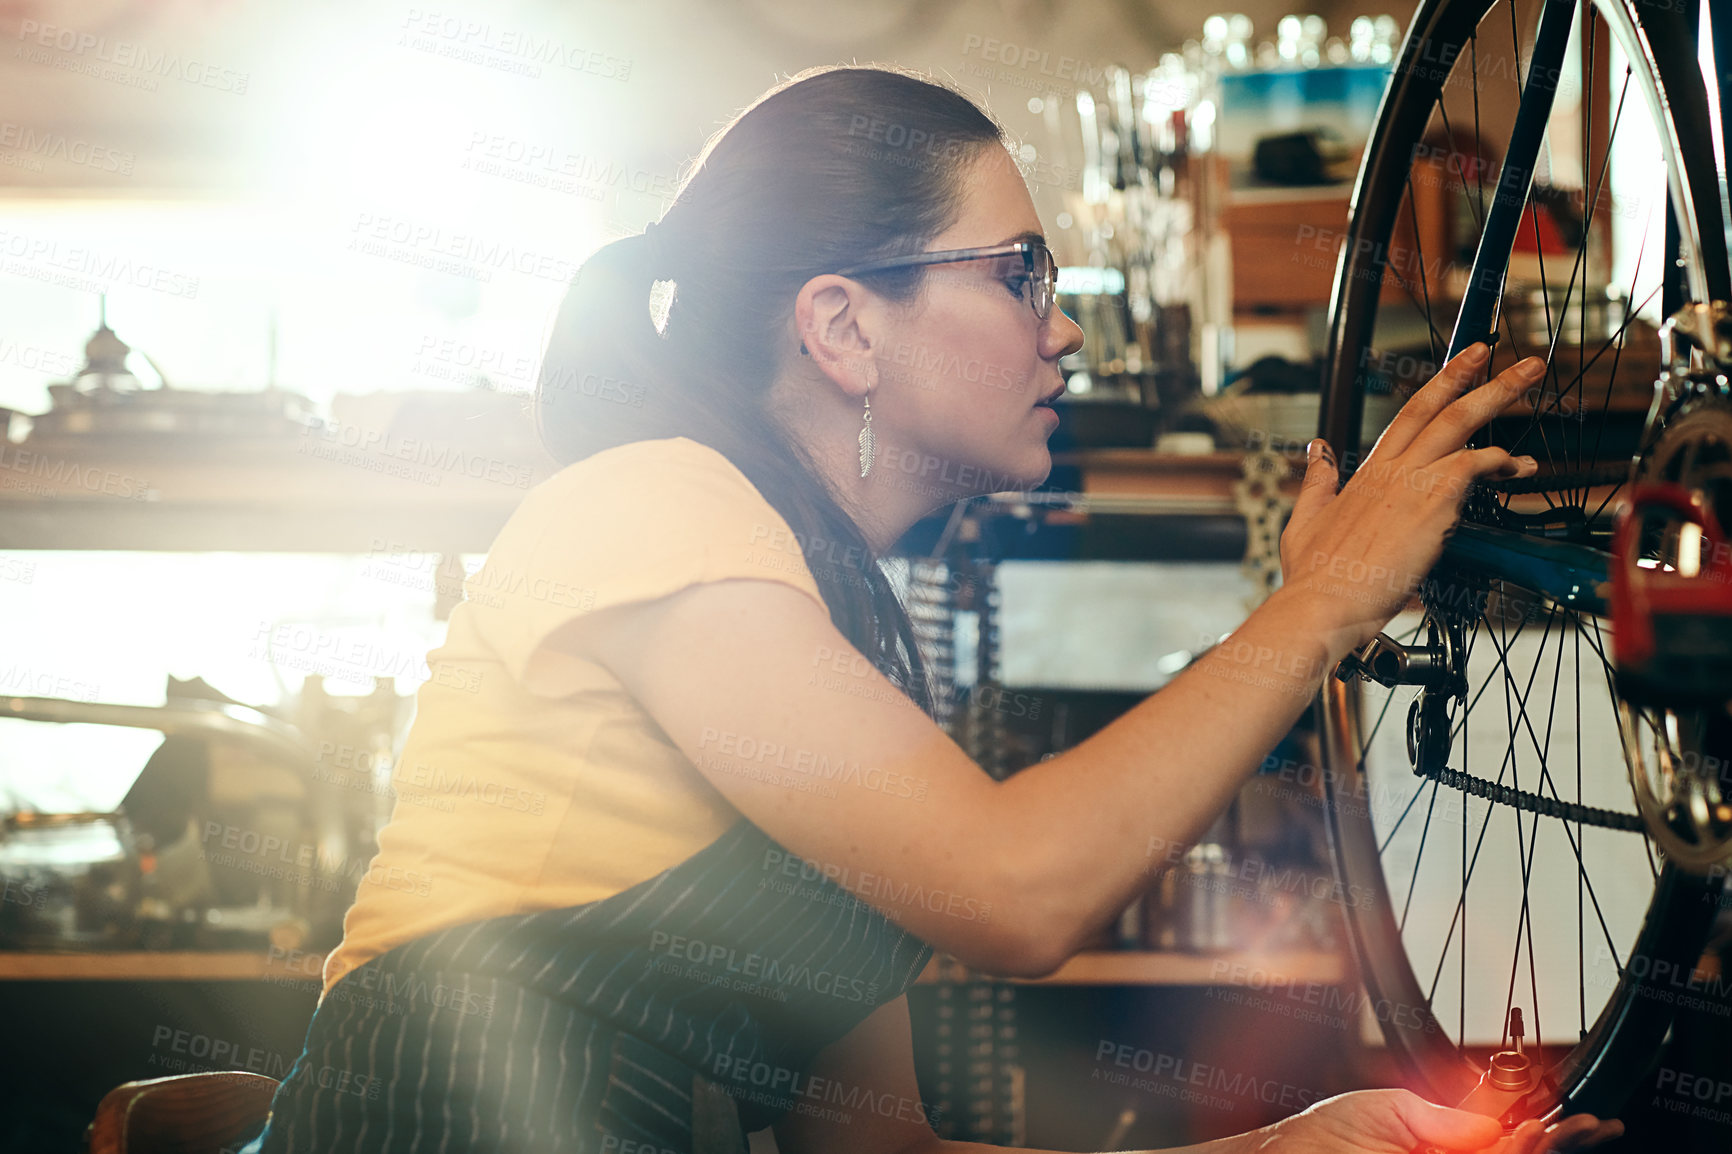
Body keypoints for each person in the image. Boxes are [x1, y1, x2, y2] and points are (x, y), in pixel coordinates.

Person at [246, 64, 1621, 1154]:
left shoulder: (833, 618)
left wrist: (1299, 1145)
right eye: (1021, 271)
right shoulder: (652, 502)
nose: (1063, 325)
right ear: (843, 328)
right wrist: (1319, 601)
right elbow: (1014, 892)